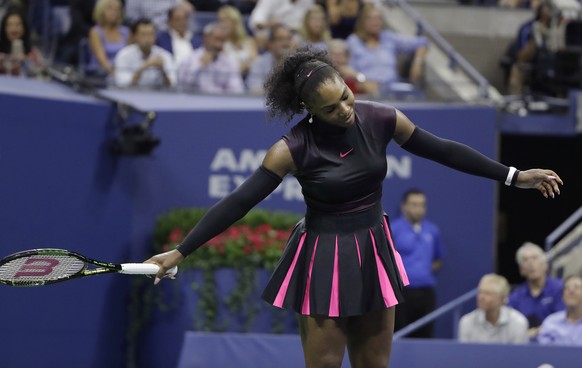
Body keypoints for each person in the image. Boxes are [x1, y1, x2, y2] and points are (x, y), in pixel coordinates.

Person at [145, 46, 563, 368]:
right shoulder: (289, 149)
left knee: (375, 364)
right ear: (308, 109)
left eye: (345, 97)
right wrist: (180, 252)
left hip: (373, 248)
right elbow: (238, 202)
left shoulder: (381, 118)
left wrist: (514, 175)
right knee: (325, 364)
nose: (345, 110)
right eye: (330, 108)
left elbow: (444, 151)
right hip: (324, 253)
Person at [391, 188, 444, 338]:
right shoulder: (394, 229)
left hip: (426, 292)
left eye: (422, 205)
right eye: (414, 204)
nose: (419, 209)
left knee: (425, 335)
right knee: (399, 335)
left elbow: (438, 259)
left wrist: (424, 271)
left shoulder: (432, 230)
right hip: (401, 293)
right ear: (404, 207)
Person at [346, 4, 428, 94]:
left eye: (378, 19)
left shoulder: (388, 38)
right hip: (365, 91)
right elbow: (347, 69)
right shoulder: (354, 41)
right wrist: (363, 80)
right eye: (370, 19)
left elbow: (422, 42)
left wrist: (417, 62)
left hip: (391, 89)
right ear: (362, 22)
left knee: (416, 94)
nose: (375, 23)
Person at [508, 242, 565, 339]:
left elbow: (565, 320)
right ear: (521, 270)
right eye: (525, 260)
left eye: (535, 258)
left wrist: (540, 330)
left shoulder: (561, 289)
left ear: (545, 265)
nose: (531, 264)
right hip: (524, 345)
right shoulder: (515, 297)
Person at [458, 274, 529, 344]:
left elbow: (518, 354)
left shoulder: (518, 323)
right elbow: (464, 354)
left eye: (487, 294)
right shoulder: (466, 322)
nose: (481, 297)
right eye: (480, 292)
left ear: (502, 298)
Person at [177, 22, 245, 94]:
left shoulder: (229, 63)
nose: (219, 45)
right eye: (216, 39)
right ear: (206, 38)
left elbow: (237, 89)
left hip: (221, 102)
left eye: (222, 41)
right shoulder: (190, 59)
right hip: (195, 101)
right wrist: (200, 65)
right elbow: (182, 86)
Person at [114, 19, 176, 89]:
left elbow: (173, 85)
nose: (148, 39)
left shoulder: (164, 55)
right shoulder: (124, 55)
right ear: (135, 36)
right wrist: (144, 66)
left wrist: (162, 70)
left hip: (157, 96)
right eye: (143, 35)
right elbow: (122, 84)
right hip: (131, 96)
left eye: (151, 34)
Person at [246, 23, 295, 95]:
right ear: (271, 43)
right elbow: (254, 88)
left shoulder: (297, 63)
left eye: (288, 39)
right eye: (280, 39)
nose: (285, 43)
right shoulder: (259, 63)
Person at [86, 0, 129, 78]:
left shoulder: (125, 32)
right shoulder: (95, 32)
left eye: (116, 10)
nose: (113, 12)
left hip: (123, 71)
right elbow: (103, 61)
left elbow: (130, 55)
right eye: (109, 9)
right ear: (101, 11)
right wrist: (117, 76)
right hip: (101, 73)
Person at [538, 275, 582, 346]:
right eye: (567, 288)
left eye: (576, 287)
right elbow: (544, 352)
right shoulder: (551, 322)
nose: (571, 291)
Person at [217, 5, 258, 79]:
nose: (222, 24)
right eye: (220, 21)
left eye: (225, 20)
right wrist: (246, 66)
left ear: (235, 22)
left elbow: (256, 63)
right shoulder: (220, 44)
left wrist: (242, 67)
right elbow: (225, 68)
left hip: (250, 79)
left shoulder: (249, 41)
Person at [0, 8, 44, 77]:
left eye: (17, 25)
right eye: (9, 25)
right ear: (4, 29)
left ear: (24, 28)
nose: (14, 29)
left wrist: (26, 62)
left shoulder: (33, 54)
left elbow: (41, 75)